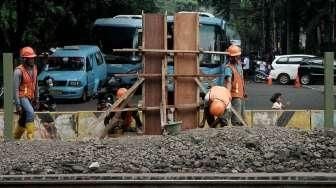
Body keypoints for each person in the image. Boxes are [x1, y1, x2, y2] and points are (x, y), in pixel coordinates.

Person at [13, 46, 39, 140]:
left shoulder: (35, 69)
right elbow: (15, 89)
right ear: (25, 59)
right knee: (30, 112)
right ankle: (30, 138)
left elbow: (36, 84)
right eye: (30, 58)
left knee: (24, 118)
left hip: (30, 97)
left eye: (33, 58)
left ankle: (15, 138)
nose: (32, 60)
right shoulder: (18, 71)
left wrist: (37, 98)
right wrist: (18, 105)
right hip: (22, 96)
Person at [224, 44, 246, 126]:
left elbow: (241, 78)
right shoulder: (228, 68)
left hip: (241, 95)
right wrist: (227, 95)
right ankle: (237, 133)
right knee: (237, 119)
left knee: (242, 117)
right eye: (236, 56)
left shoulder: (238, 65)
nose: (238, 58)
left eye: (238, 56)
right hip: (235, 96)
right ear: (231, 57)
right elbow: (228, 82)